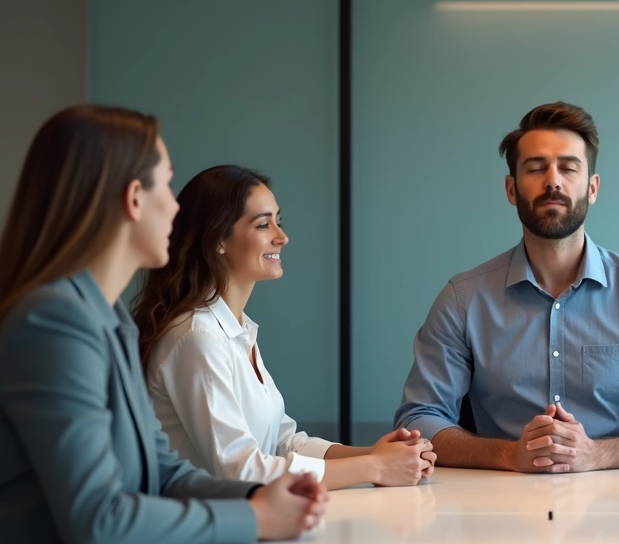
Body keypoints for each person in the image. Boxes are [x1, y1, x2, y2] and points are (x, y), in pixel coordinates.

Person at [0, 106, 325, 544]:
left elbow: (163, 471)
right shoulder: (52, 322)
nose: (176, 209)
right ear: (133, 199)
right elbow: (99, 519)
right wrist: (256, 518)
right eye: (166, 185)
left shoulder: (107, 317)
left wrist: (260, 497)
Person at [393, 101, 619, 473]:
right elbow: (417, 420)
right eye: (535, 168)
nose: (553, 180)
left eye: (568, 167)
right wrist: (508, 455)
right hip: (497, 508)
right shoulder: (463, 300)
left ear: (592, 188)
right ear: (511, 189)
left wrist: (598, 454)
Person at [132, 165, 435, 489]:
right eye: (264, 224)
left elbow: (283, 441)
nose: (282, 236)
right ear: (218, 239)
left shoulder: (236, 329)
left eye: (279, 220)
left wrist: (382, 455)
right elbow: (239, 470)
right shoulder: (197, 337)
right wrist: (373, 468)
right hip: (212, 530)